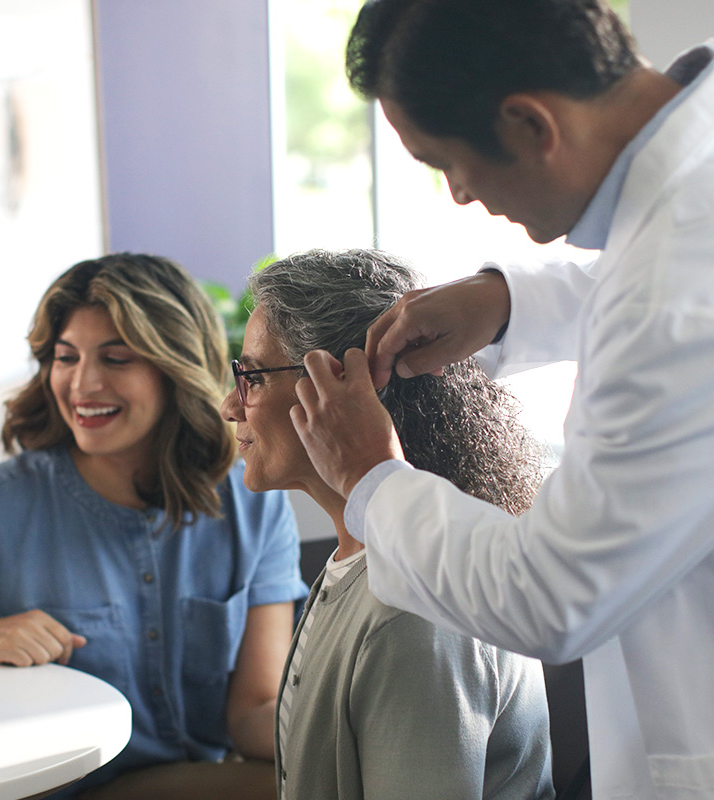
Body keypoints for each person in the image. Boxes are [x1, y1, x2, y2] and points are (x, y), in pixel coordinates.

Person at [286, 3, 714, 800]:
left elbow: (552, 597)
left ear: (528, 123)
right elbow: (663, 283)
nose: (456, 194)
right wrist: (506, 299)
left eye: (444, 160)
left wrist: (373, 477)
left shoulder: (685, 289)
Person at [0, 253, 308, 799]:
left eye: (115, 358)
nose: (83, 383)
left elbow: (254, 713)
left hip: (194, 779)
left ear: (174, 368)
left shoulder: (252, 505)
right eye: (66, 358)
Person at [220, 248, 555, 800]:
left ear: (339, 392)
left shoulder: (414, 610)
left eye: (251, 376)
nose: (232, 404)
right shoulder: (364, 559)